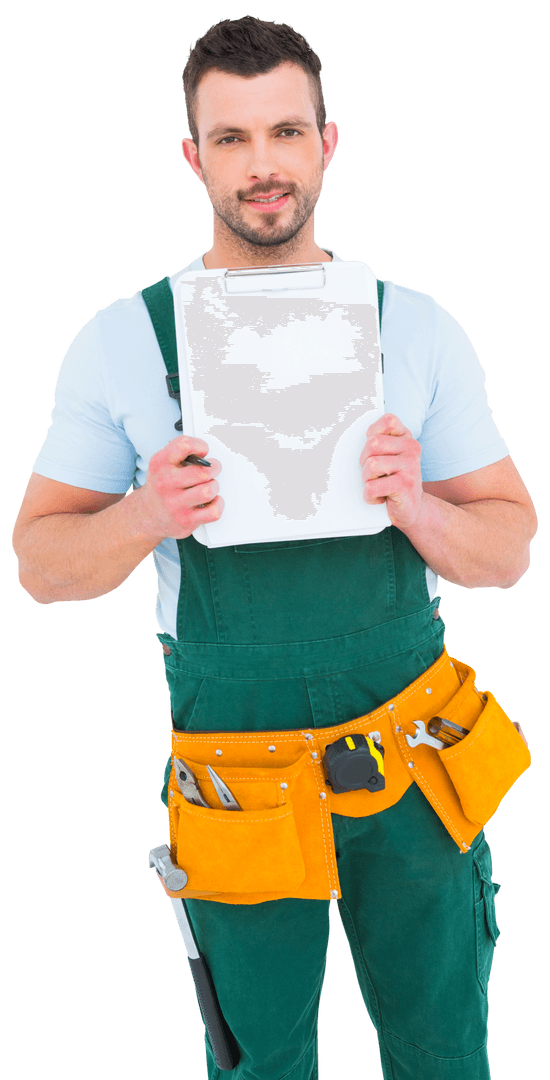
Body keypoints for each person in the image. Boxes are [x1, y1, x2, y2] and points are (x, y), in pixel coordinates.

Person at [11, 14, 537, 1080]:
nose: (263, 167)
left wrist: (419, 509)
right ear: (194, 157)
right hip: (237, 784)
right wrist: (142, 516)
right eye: (234, 138)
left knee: (444, 1052)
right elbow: (40, 565)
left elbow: (509, 547)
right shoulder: (121, 341)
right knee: (261, 1065)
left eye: (285, 133)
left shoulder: (418, 328)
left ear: (325, 145)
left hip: (412, 760)